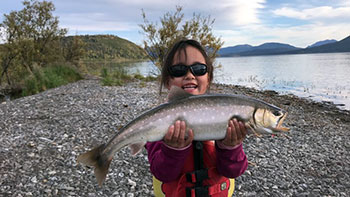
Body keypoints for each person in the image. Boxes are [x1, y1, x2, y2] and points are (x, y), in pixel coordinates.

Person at [145, 39, 248, 197]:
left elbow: (234, 171)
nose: (189, 75)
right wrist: (173, 150)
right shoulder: (156, 122)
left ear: (208, 79)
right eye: (179, 70)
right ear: (167, 81)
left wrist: (231, 146)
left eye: (199, 69)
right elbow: (162, 174)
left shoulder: (224, 119)